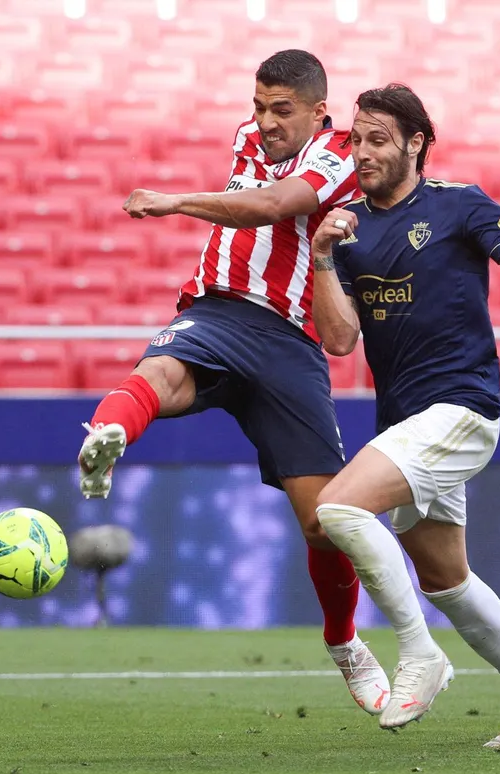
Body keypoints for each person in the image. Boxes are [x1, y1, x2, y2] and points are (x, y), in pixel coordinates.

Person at [77, 50, 391, 713]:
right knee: (155, 373)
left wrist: (172, 201)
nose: (266, 122)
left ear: (317, 112)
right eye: (259, 106)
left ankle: (344, 644)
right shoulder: (248, 138)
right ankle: (106, 439)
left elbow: (276, 204)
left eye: (282, 110)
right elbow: (256, 193)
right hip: (216, 311)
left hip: (288, 340)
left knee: (323, 525)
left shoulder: (335, 156)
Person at [309, 83, 500, 747]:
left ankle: (419, 654)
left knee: (339, 510)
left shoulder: (458, 205)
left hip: (462, 409)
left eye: (377, 140)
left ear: (416, 143)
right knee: (446, 579)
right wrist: (323, 254)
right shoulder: (348, 230)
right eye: (356, 140)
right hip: (407, 425)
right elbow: (340, 339)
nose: (363, 152)